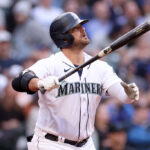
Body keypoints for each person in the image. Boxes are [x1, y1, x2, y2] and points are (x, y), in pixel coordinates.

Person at [12, 12, 139, 150]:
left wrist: (129, 94)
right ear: (64, 37)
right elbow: (19, 81)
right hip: (51, 143)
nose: (83, 30)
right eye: (76, 28)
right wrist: (39, 83)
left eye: (82, 27)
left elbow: (123, 95)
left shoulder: (100, 67)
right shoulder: (51, 64)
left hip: (86, 144)